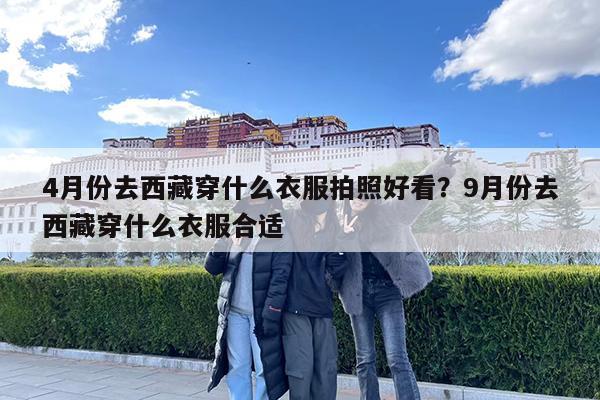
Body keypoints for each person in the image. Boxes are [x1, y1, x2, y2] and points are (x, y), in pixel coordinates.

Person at [337, 151, 458, 400]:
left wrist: (441, 165)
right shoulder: (341, 225)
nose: (358, 199)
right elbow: (333, 268)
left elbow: (414, 192)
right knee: (365, 359)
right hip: (358, 296)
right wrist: (344, 238)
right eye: (353, 194)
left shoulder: (388, 213)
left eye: (363, 194)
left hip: (387, 292)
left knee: (396, 358)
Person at [204, 189, 293, 400]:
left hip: (262, 315)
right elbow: (212, 267)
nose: (256, 205)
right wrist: (225, 243)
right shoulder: (236, 230)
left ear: (270, 204)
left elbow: (281, 277)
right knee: (238, 366)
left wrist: (271, 311)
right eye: (252, 200)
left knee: (265, 369)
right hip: (235, 313)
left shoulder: (279, 233)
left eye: (261, 200)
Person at [282, 198, 348, 400]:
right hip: (296, 309)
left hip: (322, 309)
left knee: (325, 371)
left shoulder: (335, 228)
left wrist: (344, 240)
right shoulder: (293, 219)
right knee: (301, 370)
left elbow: (337, 270)